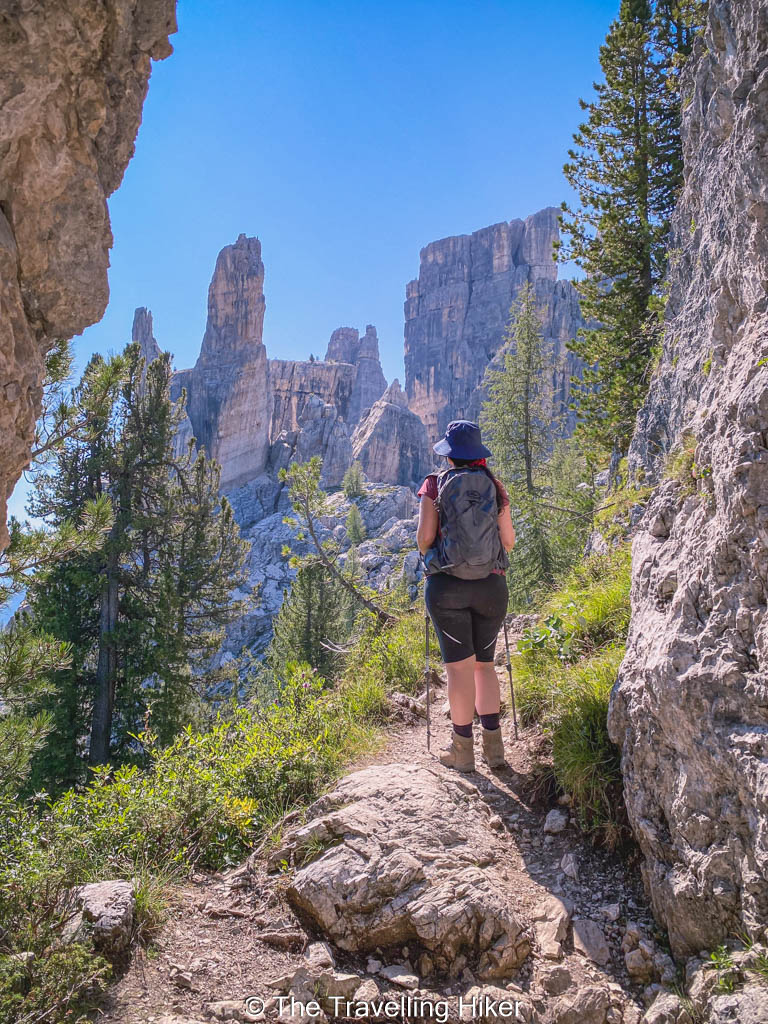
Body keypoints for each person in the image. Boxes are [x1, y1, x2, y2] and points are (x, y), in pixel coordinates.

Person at [417, 420, 515, 772]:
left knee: (458, 670)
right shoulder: (494, 485)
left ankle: (462, 751)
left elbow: (425, 537)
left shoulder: (434, 484)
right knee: (484, 666)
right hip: (491, 586)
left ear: (450, 455)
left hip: (448, 587)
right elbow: (509, 541)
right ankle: (495, 750)